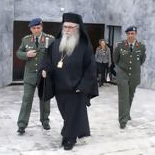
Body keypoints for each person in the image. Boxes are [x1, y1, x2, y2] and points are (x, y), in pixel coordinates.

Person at [41, 12, 98, 150]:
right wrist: (44, 69)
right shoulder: (56, 44)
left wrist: (83, 86)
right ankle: (68, 132)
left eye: (71, 27)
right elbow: (47, 59)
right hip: (60, 87)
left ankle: (69, 139)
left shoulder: (84, 46)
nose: (67, 30)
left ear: (77, 28)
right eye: (65, 27)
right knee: (66, 113)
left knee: (73, 114)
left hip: (76, 88)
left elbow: (91, 68)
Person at [16, 18, 55, 135]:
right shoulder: (26, 40)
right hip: (30, 75)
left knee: (45, 99)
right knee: (26, 100)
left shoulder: (50, 39)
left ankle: (45, 121)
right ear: (30, 29)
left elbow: (54, 57)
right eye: (34, 28)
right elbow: (18, 53)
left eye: (38, 28)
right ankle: (22, 124)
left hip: (44, 75)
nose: (36, 30)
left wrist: (48, 70)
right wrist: (26, 54)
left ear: (42, 27)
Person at [113, 26, 146, 129]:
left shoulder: (141, 46)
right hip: (123, 74)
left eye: (133, 33)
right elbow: (115, 59)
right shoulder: (120, 45)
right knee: (123, 97)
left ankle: (127, 113)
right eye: (129, 34)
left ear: (136, 34)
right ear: (126, 35)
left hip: (134, 75)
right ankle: (123, 121)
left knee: (130, 96)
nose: (131, 35)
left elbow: (141, 60)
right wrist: (120, 70)